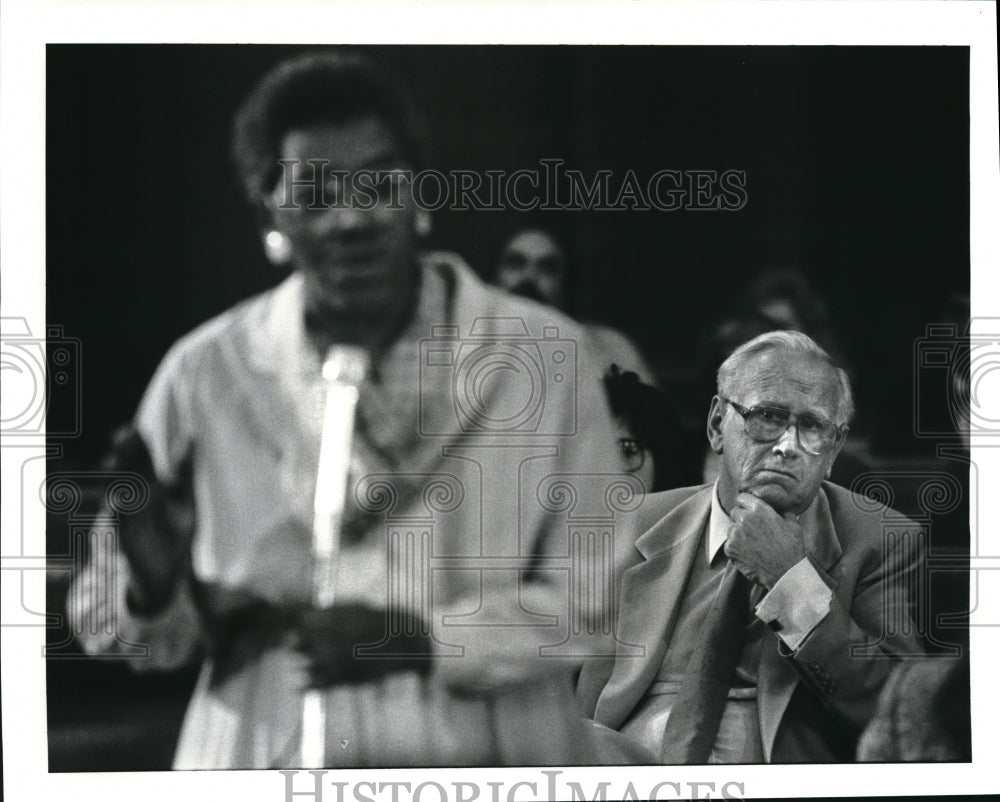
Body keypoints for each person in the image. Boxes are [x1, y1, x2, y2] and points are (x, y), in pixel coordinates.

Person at [69, 51, 622, 769]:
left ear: (420, 193)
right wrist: (153, 585)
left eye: (380, 183)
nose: (353, 217)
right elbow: (128, 633)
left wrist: (422, 641)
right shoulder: (208, 373)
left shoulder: (543, 356)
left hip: (489, 750)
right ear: (267, 206)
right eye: (315, 191)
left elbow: (595, 601)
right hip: (270, 747)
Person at [577, 330, 924, 763]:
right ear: (717, 425)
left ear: (834, 448)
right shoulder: (629, 526)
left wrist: (792, 582)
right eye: (767, 417)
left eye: (812, 426)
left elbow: (901, 715)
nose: (786, 446)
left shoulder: (879, 539)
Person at [496, 228, 655, 382]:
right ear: (493, 278)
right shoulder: (474, 344)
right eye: (515, 264)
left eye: (547, 268)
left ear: (565, 284)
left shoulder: (611, 348)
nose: (530, 277)